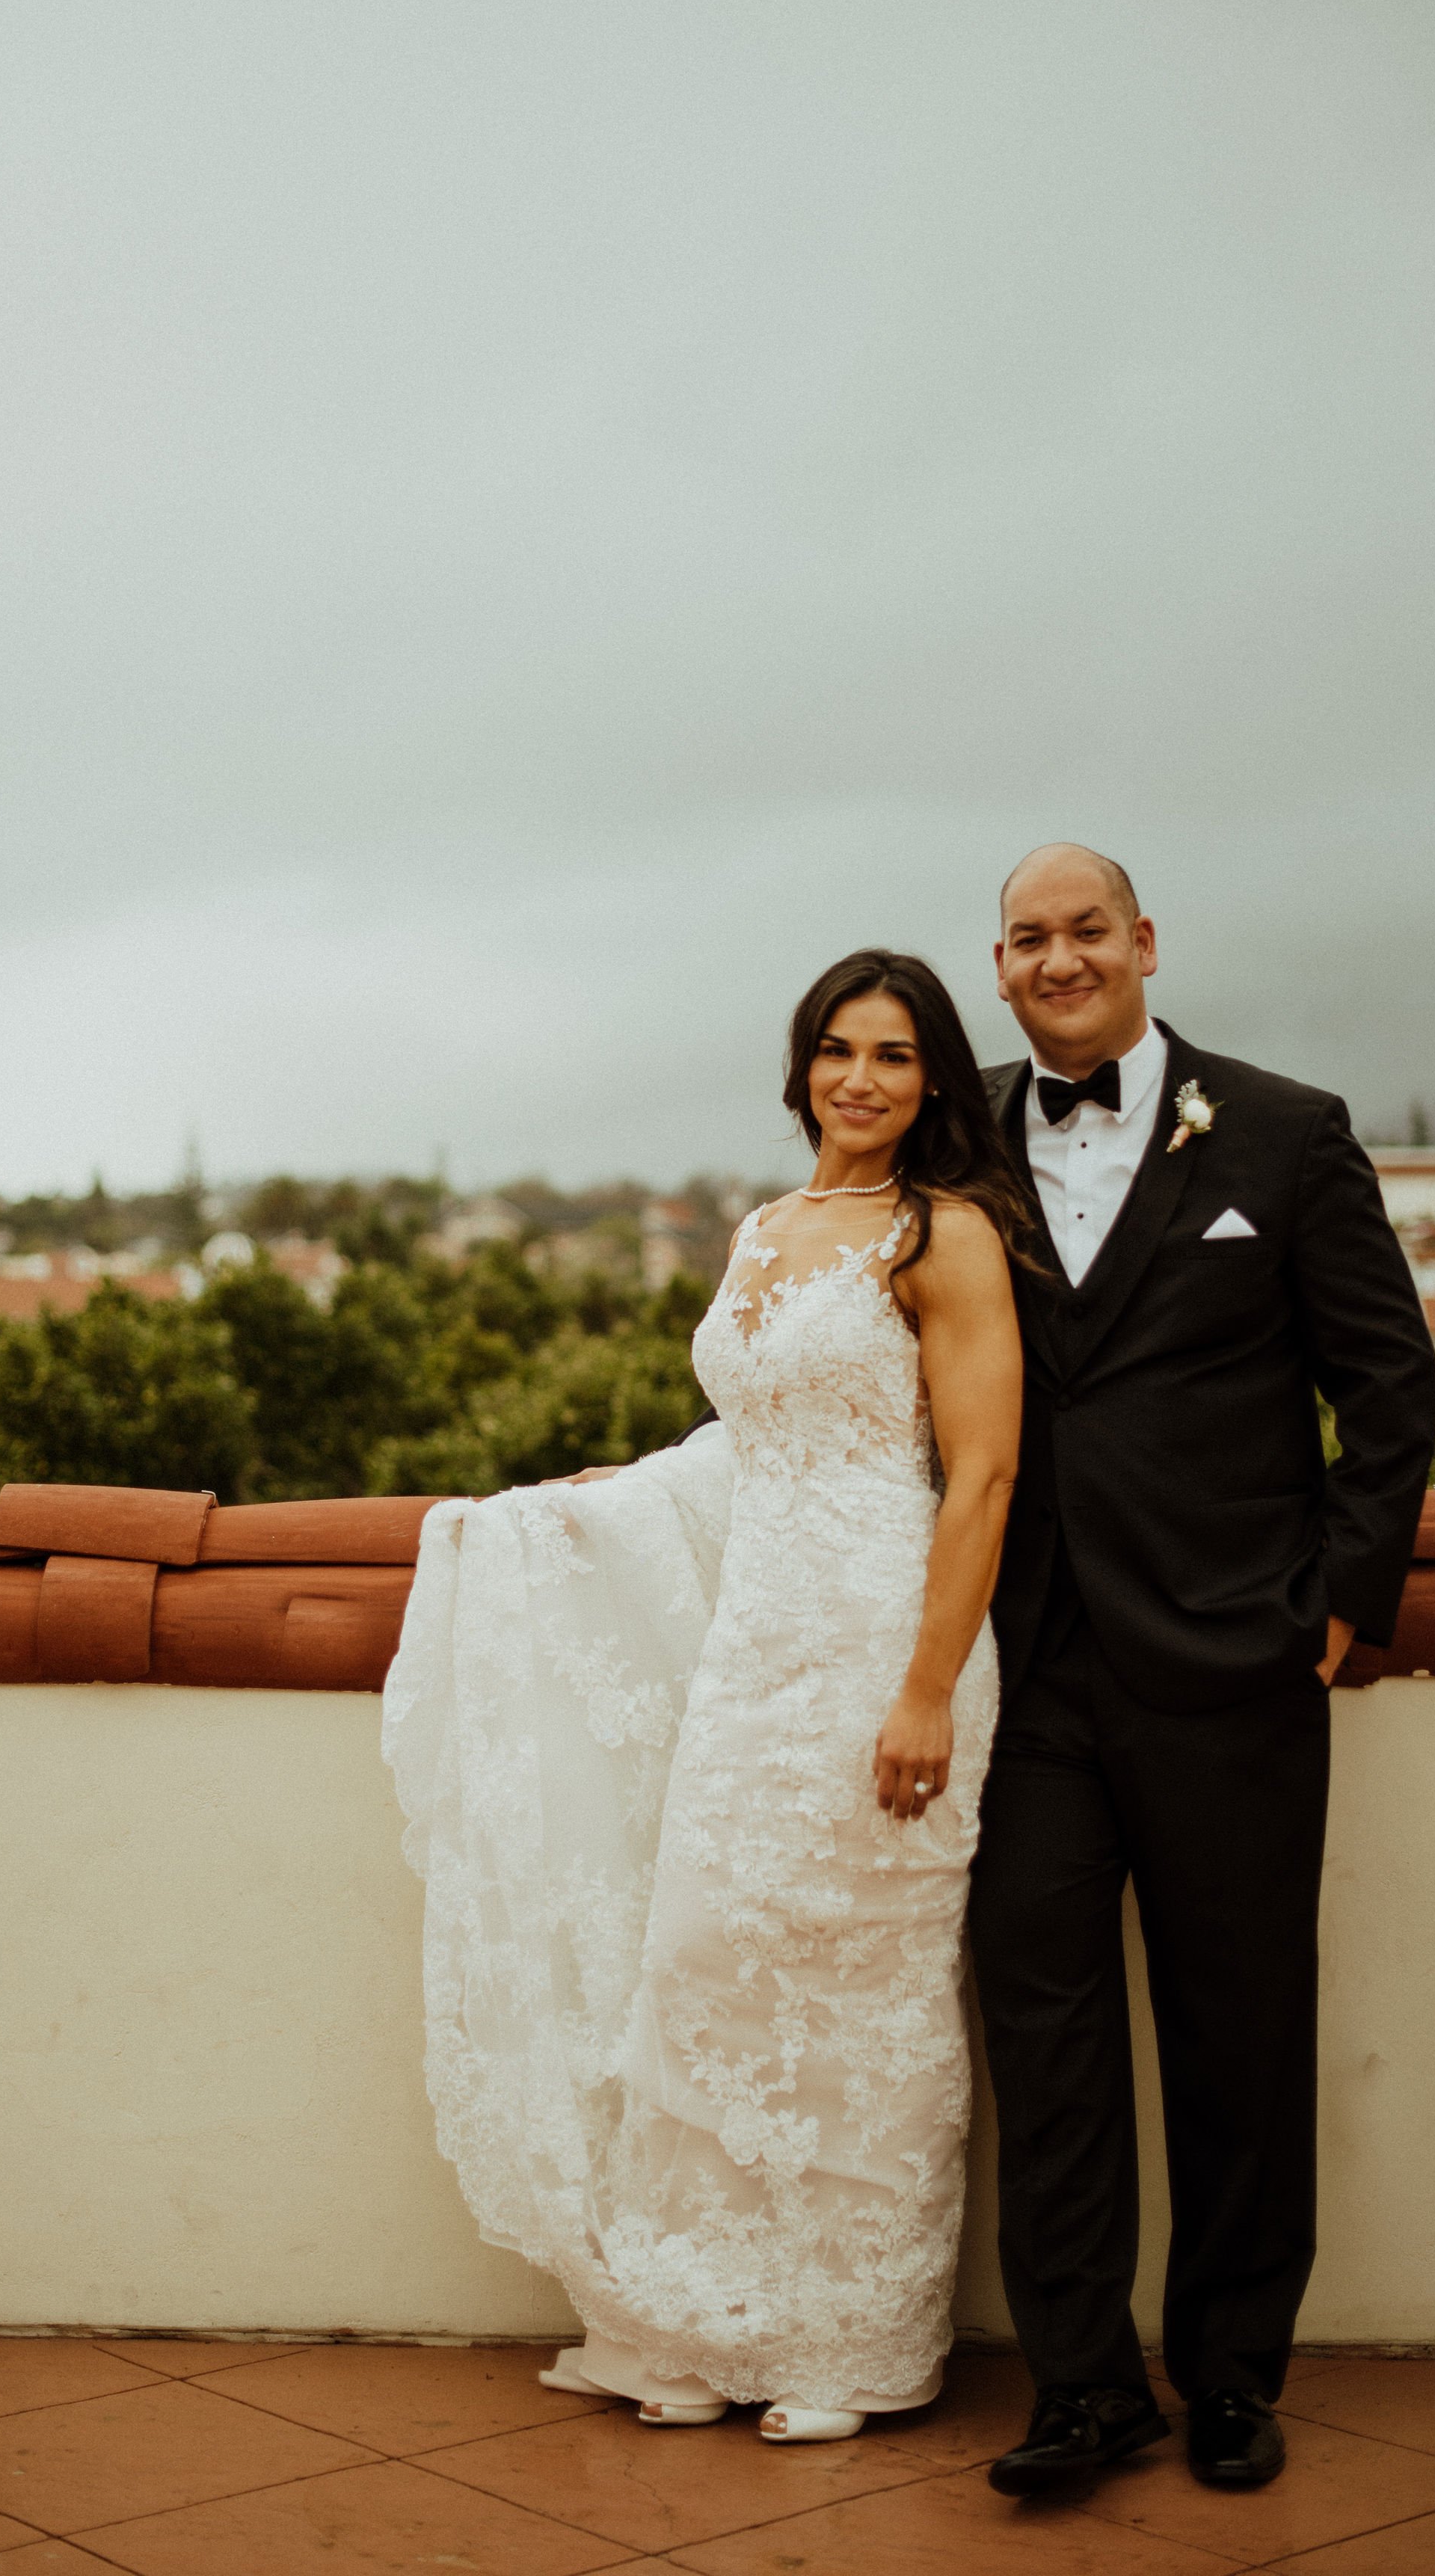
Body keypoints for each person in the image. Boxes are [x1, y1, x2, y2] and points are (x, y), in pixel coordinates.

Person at [382, 950, 1025, 2443]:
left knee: (865, 1989)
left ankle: (853, 2347)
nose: (860, 1077)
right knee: (710, 1966)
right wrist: (579, 1506)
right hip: (755, 1652)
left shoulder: (947, 1236)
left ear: (932, 1081)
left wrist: (925, 1686)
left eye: (893, 1054)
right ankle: (701, 2315)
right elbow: (747, 1436)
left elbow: (981, 1472)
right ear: (801, 1064)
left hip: (886, 1642)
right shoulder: (765, 1229)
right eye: (836, 1049)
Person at [970, 843, 1435, 2498]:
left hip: (1235, 1658)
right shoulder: (956, 1134)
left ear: (1143, 942)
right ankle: (1082, 2385)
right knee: (1044, 2041)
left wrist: (1340, 1595)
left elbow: (1385, 1385)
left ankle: (1233, 2377)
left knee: (1238, 2031)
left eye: (1082, 929)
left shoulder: (1284, 1131)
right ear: (1002, 965)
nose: (1056, 958)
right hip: (1022, 1671)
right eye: (1025, 939)